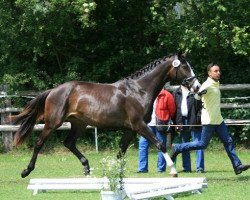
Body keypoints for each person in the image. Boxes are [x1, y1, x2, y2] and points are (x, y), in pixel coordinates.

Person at [170, 63, 250, 175]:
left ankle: (237, 166)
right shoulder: (207, 85)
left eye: (219, 70)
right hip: (209, 121)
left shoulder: (215, 83)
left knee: (228, 142)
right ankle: (178, 147)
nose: (218, 73)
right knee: (202, 144)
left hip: (219, 120)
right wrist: (199, 94)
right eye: (215, 71)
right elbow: (197, 96)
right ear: (209, 73)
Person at [138, 88, 176, 173]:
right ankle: (142, 169)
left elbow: (172, 110)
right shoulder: (147, 93)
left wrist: (165, 119)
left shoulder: (167, 95)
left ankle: (161, 169)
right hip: (147, 125)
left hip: (160, 125)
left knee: (161, 147)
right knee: (142, 145)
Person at [173, 82, 204, 173]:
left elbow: (200, 107)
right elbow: (175, 109)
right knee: (184, 145)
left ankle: (200, 168)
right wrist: (176, 122)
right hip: (181, 121)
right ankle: (187, 168)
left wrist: (198, 119)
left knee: (198, 143)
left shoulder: (195, 92)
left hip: (194, 121)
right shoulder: (176, 92)